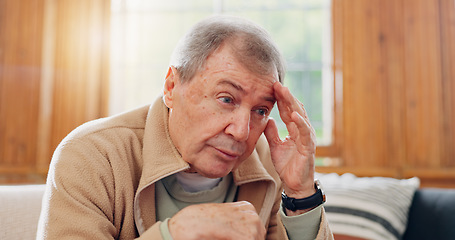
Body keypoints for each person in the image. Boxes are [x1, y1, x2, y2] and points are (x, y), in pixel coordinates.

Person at [37, 15, 333, 240]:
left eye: (260, 110)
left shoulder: (270, 162)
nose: (242, 132)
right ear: (170, 87)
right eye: (226, 99)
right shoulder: (90, 155)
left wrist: (301, 194)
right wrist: (172, 234)